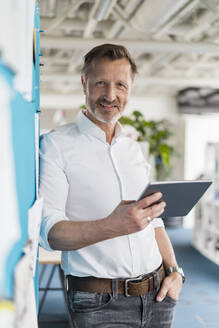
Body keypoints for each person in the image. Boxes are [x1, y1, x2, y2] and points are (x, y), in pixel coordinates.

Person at [39, 43, 184, 328]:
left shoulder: (133, 150)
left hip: (158, 297)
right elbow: (50, 232)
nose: (110, 95)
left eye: (121, 85)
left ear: (130, 88)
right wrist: (114, 225)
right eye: (101, 83)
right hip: (98, 303)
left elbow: (154, 223)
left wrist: (175, 272)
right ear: (84, 84)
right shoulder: (56, 145)